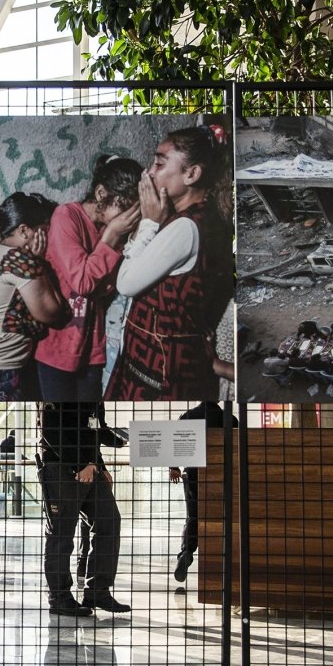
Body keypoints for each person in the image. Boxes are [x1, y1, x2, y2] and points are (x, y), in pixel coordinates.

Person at [107, 124, 235, 401]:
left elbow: (126, 284)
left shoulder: (185, 228)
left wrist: (148, 223)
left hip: (161, 373)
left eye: (160, 163)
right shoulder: (204, 216)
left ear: (192, 174)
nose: (150, 172)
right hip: (169, 363)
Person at [36, 155, 143, 402]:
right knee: (61, 421)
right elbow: (83, 283)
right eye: (124, 210)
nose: (126, 220)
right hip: (57, 347)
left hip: (92, 347)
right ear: (101, 193)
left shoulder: (110, 229)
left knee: (88, 421)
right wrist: (111, 237)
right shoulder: (66, 216)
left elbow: (106, 287)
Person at [0, 192, 70, 401]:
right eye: (44, 231)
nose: (48, 239)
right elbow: (51, 313)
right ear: (24, 230)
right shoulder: (19, 258)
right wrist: (40, 263)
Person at [38, 401, 128, 616]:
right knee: (61, 533)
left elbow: (95, 430)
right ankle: (59, 597)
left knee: (109, 522)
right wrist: (79, 464)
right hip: (62, 467)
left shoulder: (95, 395)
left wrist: (103, 463)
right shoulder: (58, 391)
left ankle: (98, 591)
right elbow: (50, 430)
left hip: (91, 467)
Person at [169, 400, 237, 582]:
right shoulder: (229, 419)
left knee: (194, 516)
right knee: (222, 516)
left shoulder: (187, 416)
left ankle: (186, 552)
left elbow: (176, 441)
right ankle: (220, 558)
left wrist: (173, 467)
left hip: (193, 473)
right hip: (221, 475)